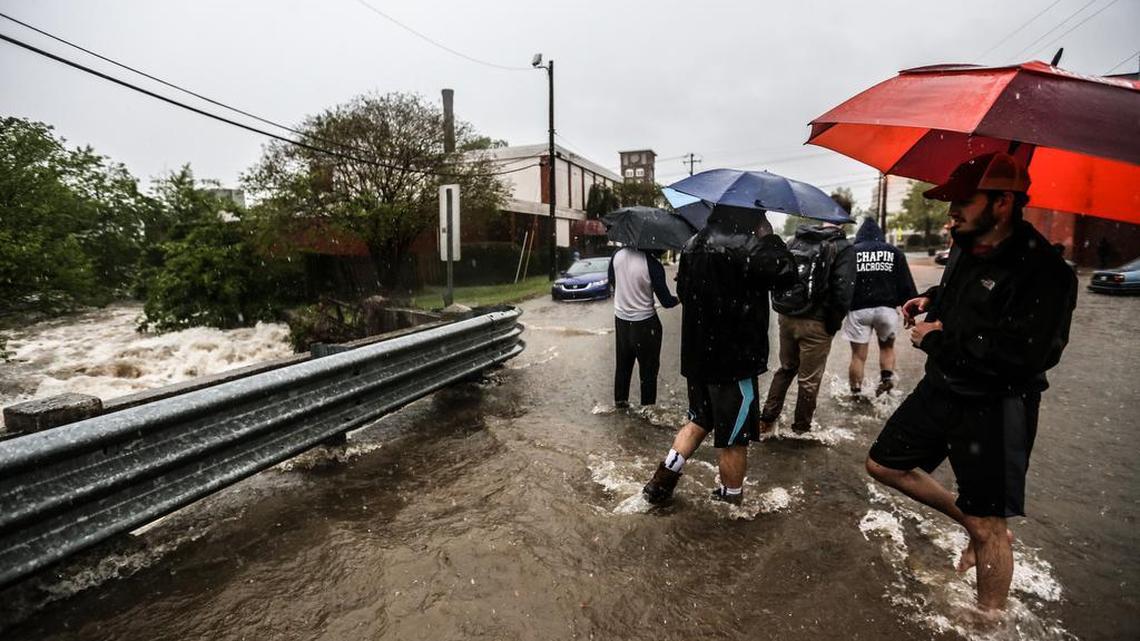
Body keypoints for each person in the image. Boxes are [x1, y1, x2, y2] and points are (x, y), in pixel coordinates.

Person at [864, 152, 1077, 612]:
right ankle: (971, 522)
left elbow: (1029, 356)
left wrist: (937, 342)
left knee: (989, 526)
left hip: (997, 406)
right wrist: (930, 299)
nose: (951, 212)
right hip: (943, 388)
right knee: (883, 464)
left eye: (962, 201)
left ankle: (988, 621)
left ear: (1003, 202)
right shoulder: (965, 244)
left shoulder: (1047, 273)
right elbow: (960, 296)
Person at [641, 206, 795, 505]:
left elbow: (684, 294)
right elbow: (787, 276)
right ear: (751, 216)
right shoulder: (748, 246)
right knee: (736, 438)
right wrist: (770, 237)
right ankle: (730, 504)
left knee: (699, 420)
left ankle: (660, 483)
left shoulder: (692, 245)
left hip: (698, 358)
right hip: (734, 363)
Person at [758, 196, 856, 433]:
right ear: (844, 217)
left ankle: (766, 420)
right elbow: (843, 292)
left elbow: (780, 275)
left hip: (788, 318)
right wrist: (832, 324)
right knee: (809, 379)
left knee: (786, 368)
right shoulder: (843, 247)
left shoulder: (797, 240)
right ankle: (801, 429)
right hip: (817, 322)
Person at [844, 216, 917, 397]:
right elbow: (905, 284)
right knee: (887, 348)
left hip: (859, 310)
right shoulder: (894, 252)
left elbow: (843, 283)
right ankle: (886, 383)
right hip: (887, 310)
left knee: (858, 357)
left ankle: (855, 393)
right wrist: (910, 312)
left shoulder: (851, 252)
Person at [608, 247, 679, 408]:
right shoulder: (653, 264)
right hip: (646, 324)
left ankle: (620, 404)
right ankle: (647, 410)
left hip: (621, 321)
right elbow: (666, 301)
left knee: (622, 367)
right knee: (648, 373)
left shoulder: (617, 256)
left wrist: (627, 294)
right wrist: (680, 297)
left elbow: (613, 281)